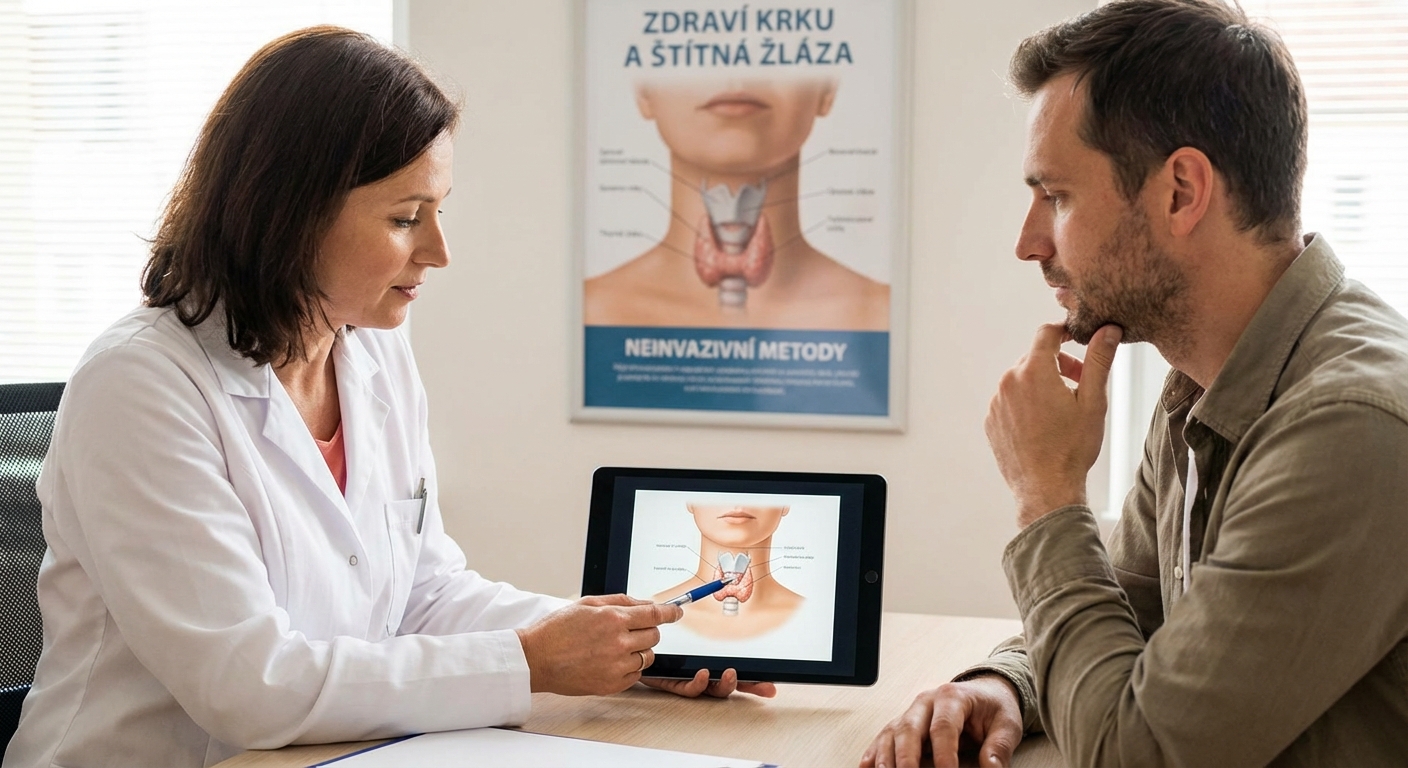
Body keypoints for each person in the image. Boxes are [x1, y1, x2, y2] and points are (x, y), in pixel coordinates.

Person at [4, 27, 771, 768]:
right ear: (290, 211)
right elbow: (248, 687)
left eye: (437, 210)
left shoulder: (368, 346)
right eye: (406, 218)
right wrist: (529, 660)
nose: (439, 250)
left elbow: (422, 593)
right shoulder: (140, 385)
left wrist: (613, 645)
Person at [863, 1, 1408, 766]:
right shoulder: (1209, 377)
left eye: (1056, 196)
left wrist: (1046, 495)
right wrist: (1008, 681)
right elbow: (1139, 613)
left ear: (1182, 191)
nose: (1027, 243)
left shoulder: (1348, 426)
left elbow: (1137, 753)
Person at [583, 78, 890, 331]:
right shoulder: (584, 315)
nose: (734, 67)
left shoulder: (888, 320)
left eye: (775, 42)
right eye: (695, 43)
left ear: (828, 86)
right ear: (642, 89)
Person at [651, 502, 804, 639]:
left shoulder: (808, 615)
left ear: (785, 504)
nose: (737, 501)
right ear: (690, 502)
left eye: (757, 490)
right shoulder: (646, 613)